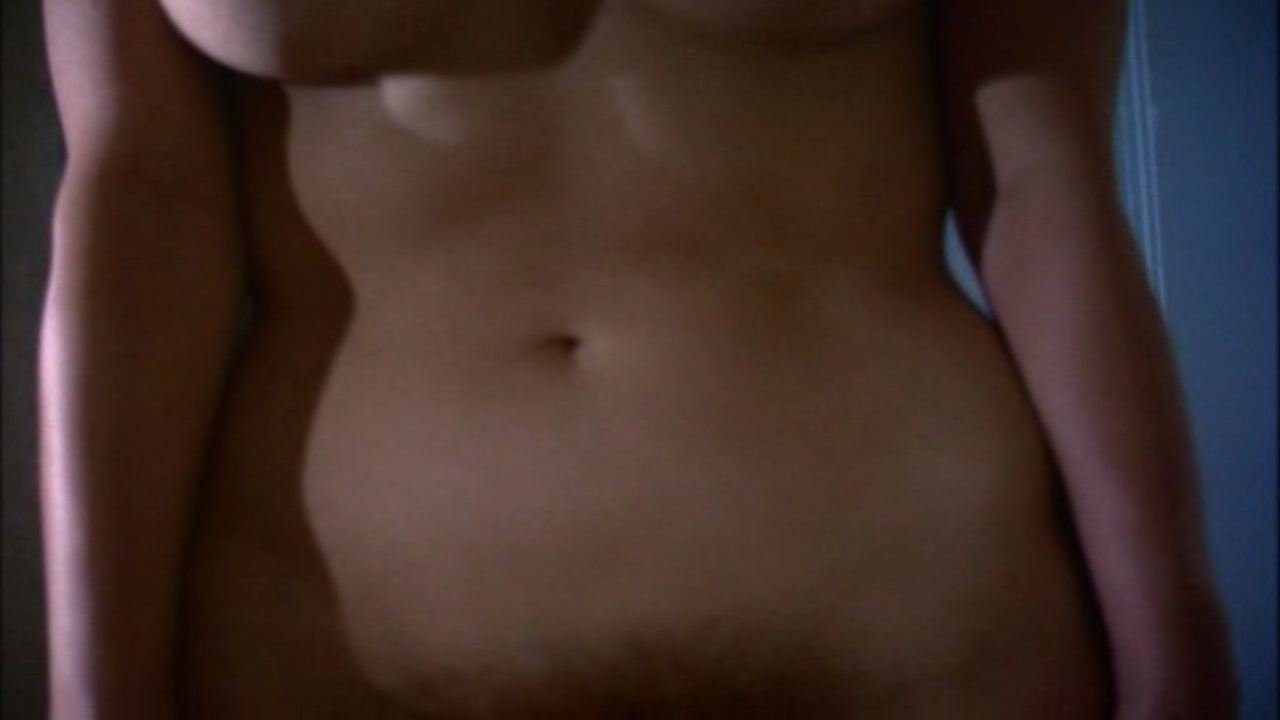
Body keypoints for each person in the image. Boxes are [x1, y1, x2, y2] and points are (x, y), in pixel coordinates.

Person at [38, 0, 1237, 717]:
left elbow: (1037, 174)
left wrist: (1174, 645)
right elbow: (144, 205)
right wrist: (94, 688)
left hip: (922, 639)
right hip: (328, 661)